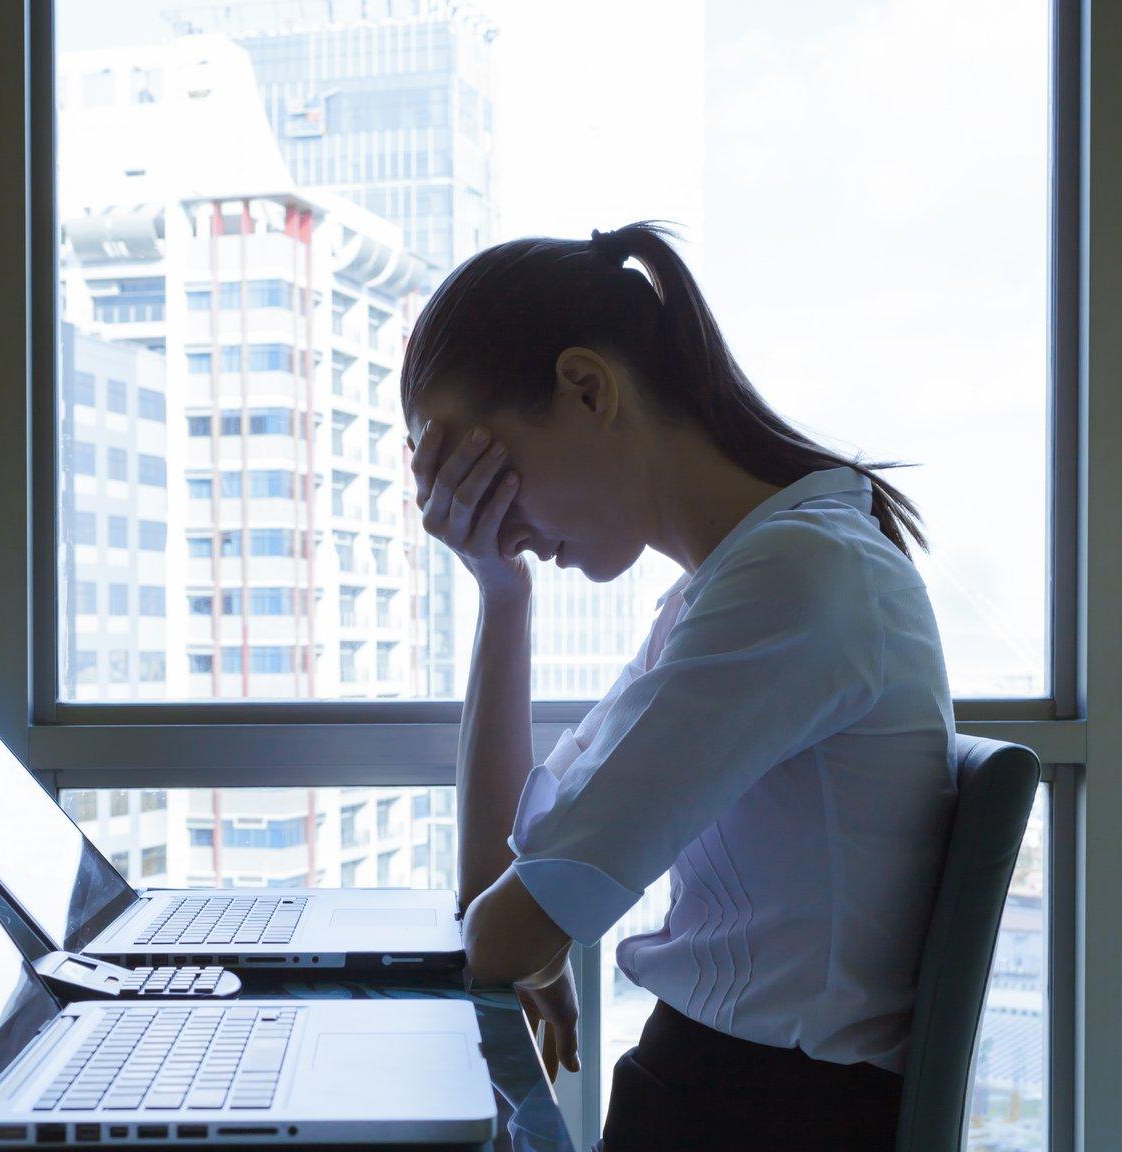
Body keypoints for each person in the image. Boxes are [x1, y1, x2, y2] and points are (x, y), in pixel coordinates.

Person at [403, 221, 956, 1152]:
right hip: (727, 1101)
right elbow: (499, 902)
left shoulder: (794, 585)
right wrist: (502, 596)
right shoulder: (736, 585)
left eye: (490, 475)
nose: (494, 522)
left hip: (761, 1119)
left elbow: (507, 937)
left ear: (587, 389)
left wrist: (530, 923)